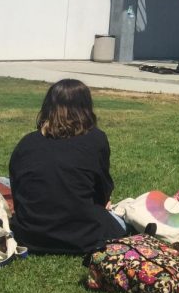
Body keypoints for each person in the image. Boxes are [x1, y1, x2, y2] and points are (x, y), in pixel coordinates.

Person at [9, 79, 126, 254]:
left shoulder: (27, 143)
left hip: (29, 236)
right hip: (84, 236)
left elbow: (18, 190)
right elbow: (102, 189)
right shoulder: (96, 139)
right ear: (86, 107)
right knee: (123, 221)